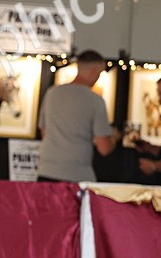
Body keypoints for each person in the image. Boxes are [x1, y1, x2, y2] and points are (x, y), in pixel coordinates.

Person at [36, 50, 120, 182]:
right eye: (99, 73)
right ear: (94, 71)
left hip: (46, 170)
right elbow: (104, 148)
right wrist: (114, 138)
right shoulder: (95, 101)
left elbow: (44, 131)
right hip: (76, 174)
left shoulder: (52, 93)